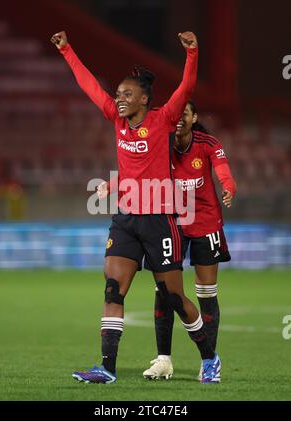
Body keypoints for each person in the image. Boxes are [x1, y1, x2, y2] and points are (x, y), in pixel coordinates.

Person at [51, 31, 220, 384]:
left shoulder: (164, 118)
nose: (120, 99)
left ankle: (209, 358)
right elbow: (88, 86)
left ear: (145, 98)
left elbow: (186, 89)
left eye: (128, 94)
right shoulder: (116, 118)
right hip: (126, 220)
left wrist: (192, 53)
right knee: (113, 289)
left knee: (174, 297)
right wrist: (67, 49)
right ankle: (107, 369)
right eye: (118, 94)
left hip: (160, 223)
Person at [142, 101, 237, 382]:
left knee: (206, 295)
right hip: (171, 224)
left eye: (185, 114)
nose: (179, 119)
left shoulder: (207, 143)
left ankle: (208, 361)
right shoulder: (163, 143)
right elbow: (138, 171)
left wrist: (228, 188)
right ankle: (164, 361)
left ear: (194, 117)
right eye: (176, 115)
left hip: (206, 224)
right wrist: (112, 184)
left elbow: (224, 172)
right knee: (165, 292)